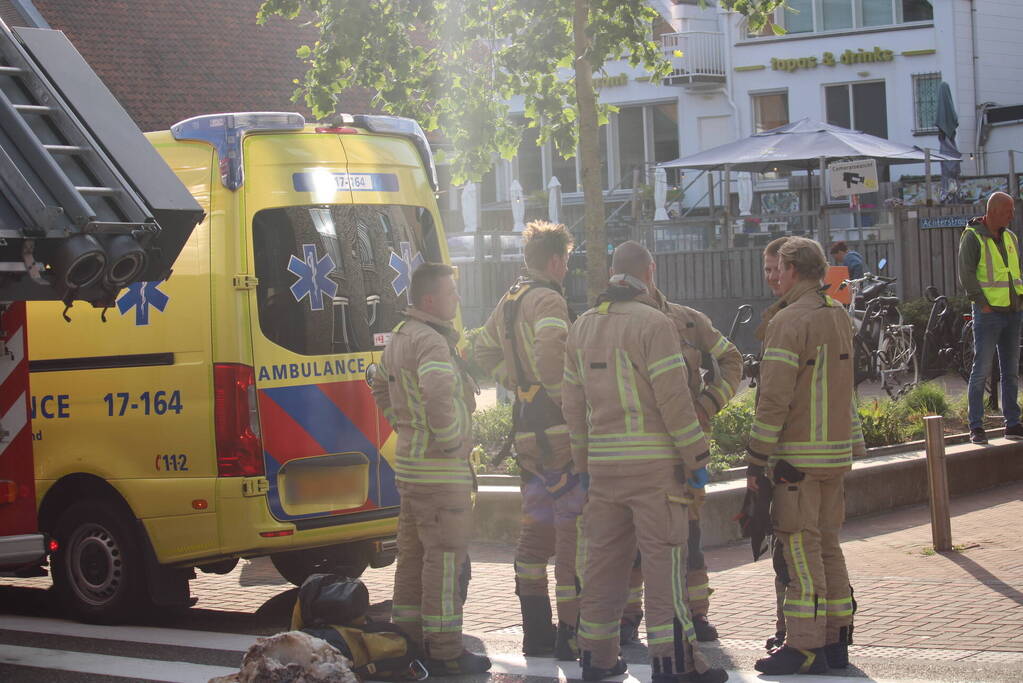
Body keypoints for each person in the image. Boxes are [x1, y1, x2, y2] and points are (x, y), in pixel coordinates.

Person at [564, 241, 727, 683]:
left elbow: (573, 408)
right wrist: (696, 460)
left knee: (602, 567)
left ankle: (596, 660)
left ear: (613, 274)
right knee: (663, 567)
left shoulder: (580, 327)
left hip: (602, 470)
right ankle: (674, 665)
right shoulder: (655, 324)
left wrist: (582, 466)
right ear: (649, 273)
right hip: (656, 472)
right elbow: (674, 402)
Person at [746, 237, 864, 675]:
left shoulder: (789, 321)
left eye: (778, 268)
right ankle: (836, 641)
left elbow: (774, 399)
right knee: (829, 545)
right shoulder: (838, 315)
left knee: (799, 548)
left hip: (796, 458)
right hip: (834, 455)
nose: (774, 275)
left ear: (793, 269)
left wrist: (757, 457)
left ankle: (805, 645)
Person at [371, 262, 491, 676]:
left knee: (412, 556)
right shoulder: (433, 343)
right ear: (429, 300)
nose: (457, 300)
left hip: (411, 468)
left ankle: (408, 642)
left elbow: (378, 383)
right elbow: (439, 395)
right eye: (451, 293)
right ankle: (445, 651)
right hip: (440, 472)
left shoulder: (401, 337)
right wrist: (452, 442)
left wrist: (404, 424)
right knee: (444, 561)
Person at [474, 220, 584, 660]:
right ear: (556, 261)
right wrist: (565, 405)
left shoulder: (509, 301)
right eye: (568, 262)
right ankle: (571, 635)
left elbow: (481, 351)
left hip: (526, 431)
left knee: (536, 530)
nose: (567, 269)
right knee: (571, 530)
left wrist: (517, 382)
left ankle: (536, 632)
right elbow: (553, 353)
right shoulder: (550, 299)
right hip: (557, 432)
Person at [619, 285, 743, 645]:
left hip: (683, 447)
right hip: (639, 449)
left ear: (650, 273)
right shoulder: (613, 322)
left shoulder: (688, 321)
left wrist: (707, 404)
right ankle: (628, 616)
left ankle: (696, 614)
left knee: (689, 535)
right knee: (633, 537)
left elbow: (731, 359)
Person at [958, 191, 1023, 444]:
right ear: (994, 210)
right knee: (981, 371)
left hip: (1012, 311)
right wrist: (982, 304)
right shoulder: (973, 236)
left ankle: (1013, 423)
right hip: (989, 314)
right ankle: (976, 426)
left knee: (1011, 372)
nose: (1012, 215)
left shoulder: (1010, 237)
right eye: (1009, 210)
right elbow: (966, 274)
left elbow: (1013, 272)